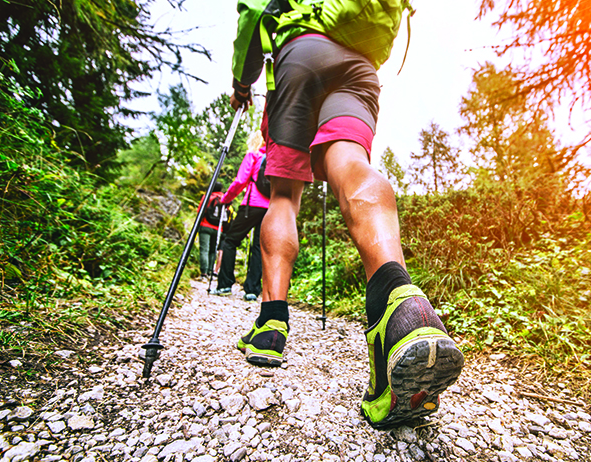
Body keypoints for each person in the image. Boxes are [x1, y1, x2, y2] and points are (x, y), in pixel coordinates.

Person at [229, 2, 464, 429]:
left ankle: (271, 323)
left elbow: (252, 15)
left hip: (301, 56)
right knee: (352, 163)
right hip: (358, 65)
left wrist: (241, 82)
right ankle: (401, 302)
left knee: (283, 196)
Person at [210, 130, 269, 301]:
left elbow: (240, 181)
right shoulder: (274, 158)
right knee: (259, 247)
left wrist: (225, 199)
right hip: (269, 208)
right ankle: (252, 290)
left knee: (230, 241)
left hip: (252, 205)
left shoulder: (253, 155)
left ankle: (225, 284)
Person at [196, 183, 227, 280]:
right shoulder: (224, 198)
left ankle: (204, 273)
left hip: (205, 225)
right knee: (212, 250)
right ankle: (210, 271)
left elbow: (200, 210)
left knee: (204, 249)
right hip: (218, 229)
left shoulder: (208, 196)